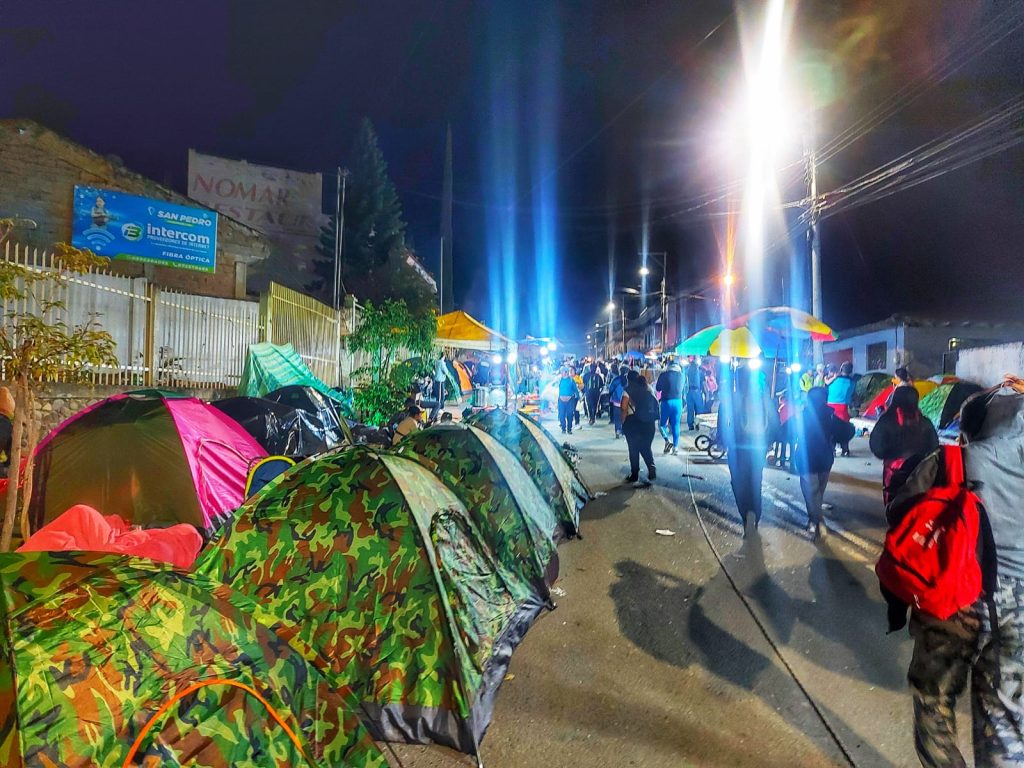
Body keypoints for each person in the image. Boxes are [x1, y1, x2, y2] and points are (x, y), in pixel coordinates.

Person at [887, 376, 1024, 767]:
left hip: (953, 599)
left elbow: (900, 515)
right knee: (1007, 720)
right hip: (1019, 611)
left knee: (934, 705)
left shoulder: (952, 460)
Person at [720, 365, 772, 536]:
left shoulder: (731, 398)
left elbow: (722, 422)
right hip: (757, 448)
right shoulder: (764, 398)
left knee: (738, 483)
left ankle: (746, 516)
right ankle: (754, 516)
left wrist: (722, 440)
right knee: (755, 482)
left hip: (737, 449)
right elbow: (774, 422)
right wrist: (769, 442)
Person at [869, 385, 939, 505]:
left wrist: (893, 455)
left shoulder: (886, 420)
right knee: (917, 503)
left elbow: (877, 447)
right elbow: (934, 446)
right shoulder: (925, 422)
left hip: (893, 472)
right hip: (921, 471)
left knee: (894, 503)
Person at [793, 387, 839, 540]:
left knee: (811, 493)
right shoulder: (831, 416)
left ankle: (816, 521)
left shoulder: (801, 416)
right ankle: (816, 520)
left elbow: (785, 431)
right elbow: (847, 431)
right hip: (825, 459)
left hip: (807, 460)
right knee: (819, 491)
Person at [620, 370, 658, 484]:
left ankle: (635, 474)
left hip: (633, 423)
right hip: (649, 423)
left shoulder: (627, 391)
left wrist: (622, 422)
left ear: (629, 380)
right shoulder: (649, 388)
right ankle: (651, 465)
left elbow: (624, 408)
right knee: (646, 447)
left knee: (633, 448)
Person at [827, 361, 856, 456]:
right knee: (844, 428)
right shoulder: (852, 382)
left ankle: (832, 449)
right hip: (844, 407)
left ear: (841, 369)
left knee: (831, 428)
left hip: (831, 406)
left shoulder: (834, 379)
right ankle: (845, 449)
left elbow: (826, 385)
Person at [656, 357, 684, 454]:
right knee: (676, 425)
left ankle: (667, 440)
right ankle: (675, 448)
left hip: (666, 402)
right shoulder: (682, 376)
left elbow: (658, 388)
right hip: (678, 402)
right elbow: (685, 389)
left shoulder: (664, 375)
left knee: (662, 425)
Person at [684, 356, 706, 431]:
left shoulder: (687, 370)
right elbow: (703, 383)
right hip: (697, 391)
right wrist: (706, 393)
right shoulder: (700, 371)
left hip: (689, 391)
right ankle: (697, 423)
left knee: (690, 409)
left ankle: (691, 425)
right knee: (698, 409)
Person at [557, 367, 580, 434]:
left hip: (570, 400)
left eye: (563, 372)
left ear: (566, 372)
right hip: (561, 400)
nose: (562, 373)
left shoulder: (571, 380)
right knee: (561, 415)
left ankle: (569, 429)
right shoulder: (559, 380)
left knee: (570, 415)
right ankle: (563, 428)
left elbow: (575, 390)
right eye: (561, 372)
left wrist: (578, 398)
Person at [582, 362, 605, 426]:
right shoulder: (599, 376)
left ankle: (591, 418)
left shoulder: (586, 375)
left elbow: (583, 384)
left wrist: (584, 391)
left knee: (590, 405)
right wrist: (599, 392)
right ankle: (593, 417)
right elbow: (602, 385)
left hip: (589, 393)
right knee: (595, 405)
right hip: (596, 393)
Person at [608, 364, 627, 439]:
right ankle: (624, 431)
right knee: (625, 417)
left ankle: (617, 431)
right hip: (625, 401)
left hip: (616, 401)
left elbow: (610, 389)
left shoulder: (615, 380)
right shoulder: (628, 380)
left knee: (617, 417)